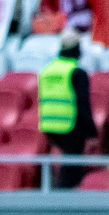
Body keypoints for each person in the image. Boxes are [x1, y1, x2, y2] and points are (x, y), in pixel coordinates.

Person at [36, 31, 91, 187]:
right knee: (72, 164)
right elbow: (82, 103)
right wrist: (91, 129)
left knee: (66, 161)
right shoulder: (76, 72)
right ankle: (65, 193)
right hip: (69, 124)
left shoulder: (46, 71)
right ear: (76, 49)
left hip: (48, 125)